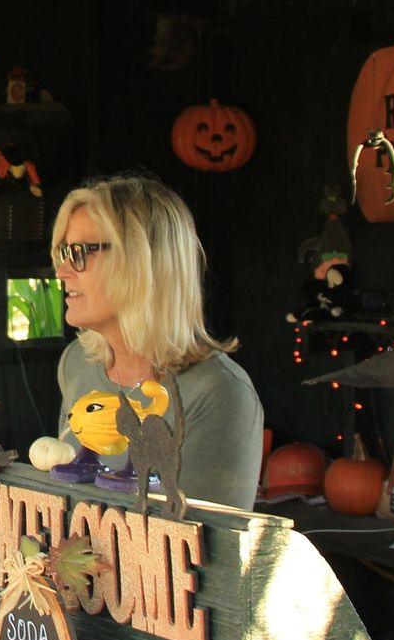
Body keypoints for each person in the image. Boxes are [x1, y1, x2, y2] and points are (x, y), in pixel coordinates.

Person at [47, 173, 262, 509]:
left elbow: (209, 538)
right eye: (64, 252)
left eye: (79, 252)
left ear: (141, 261)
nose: (62, 272)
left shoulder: (220, 393)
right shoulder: (77, 363)